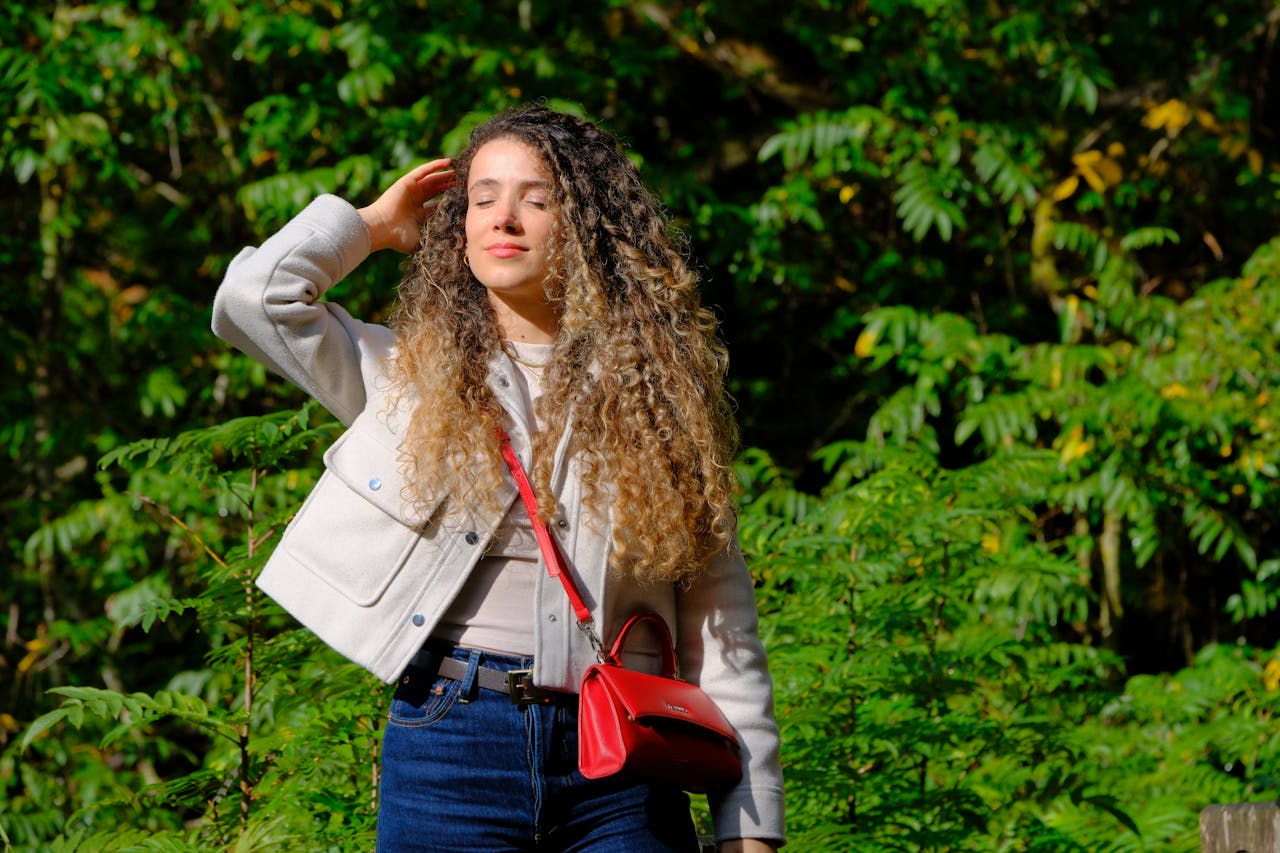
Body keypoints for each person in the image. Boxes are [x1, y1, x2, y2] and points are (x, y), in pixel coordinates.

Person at [212, 103, 784, 852]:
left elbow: (721, 620)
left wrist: (752, 822)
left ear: (589, 228)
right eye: (481, 198)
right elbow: (255, 299)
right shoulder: (404, 374)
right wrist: (373, 225)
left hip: (623, 755)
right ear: (460, 227)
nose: (503, 217)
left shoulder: (656, 397)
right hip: (448, 742)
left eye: (537, 199)